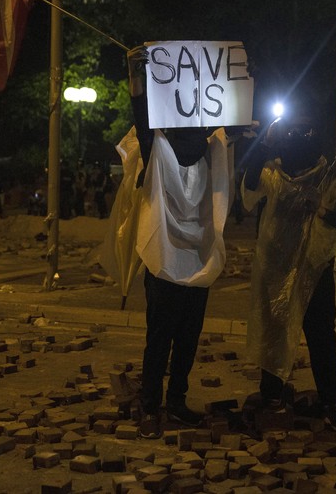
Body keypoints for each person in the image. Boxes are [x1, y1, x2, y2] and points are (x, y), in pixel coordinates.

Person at [106, 46, 235, 439]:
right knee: (159, 338)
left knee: (188, 337)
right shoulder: (158, 149)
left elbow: (240, 125)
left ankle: (176, 401)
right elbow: (143, 119)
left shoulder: (215, 151)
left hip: (198, 260)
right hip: (163, 259)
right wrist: (135, 75)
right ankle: (150, 405)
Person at [241, 114, 336, 431]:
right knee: (275, 331)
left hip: (314, 269)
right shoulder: (275, 173)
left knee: (322, 335)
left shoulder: (329, 176)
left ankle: (329, 400)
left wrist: (319, 206)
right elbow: (250, 183)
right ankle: (272, 396)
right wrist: (262, 143)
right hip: (276, 271)